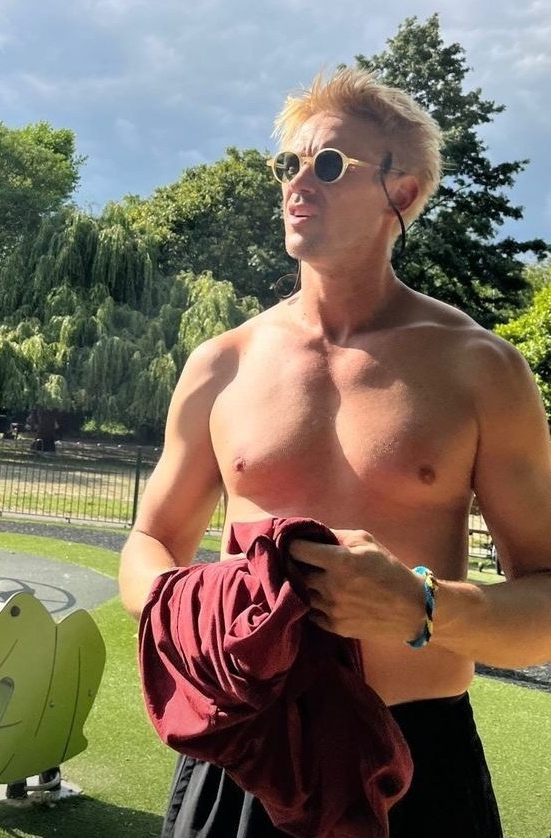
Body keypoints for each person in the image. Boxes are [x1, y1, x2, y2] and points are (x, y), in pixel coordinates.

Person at [119, 66, 551, 838]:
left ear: (402, 193)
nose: (297, 182)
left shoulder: (480, 369)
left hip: (418, 763)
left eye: (327, 164)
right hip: (246, 751)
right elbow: (150, 540)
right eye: (289, 163)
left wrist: (423, 607)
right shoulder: (222, 364)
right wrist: (198, 606)